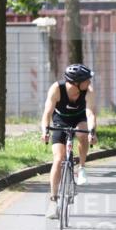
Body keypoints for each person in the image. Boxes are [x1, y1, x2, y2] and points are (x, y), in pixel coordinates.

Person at [40, 63, 97, 219]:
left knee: (82, 134)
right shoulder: (56, 89)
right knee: (58, 159)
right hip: (60, 121)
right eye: (86, 79)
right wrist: (45, 129)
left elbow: (91, 114)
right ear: (76, 82)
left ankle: (82, 167)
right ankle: (53, 200)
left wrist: (93, 131)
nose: (90, 82)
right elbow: (47, 113)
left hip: (79, 119)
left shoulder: (88, 91)